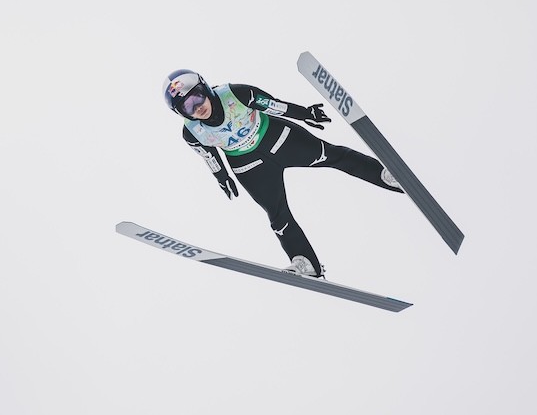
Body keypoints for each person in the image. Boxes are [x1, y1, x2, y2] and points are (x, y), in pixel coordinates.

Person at [162, 68, 403, 278]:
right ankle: (307, 264)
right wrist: (221, 177)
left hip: (280, 139)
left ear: (205, 88)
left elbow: (275, 106)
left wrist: (306, 114)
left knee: (334, 156)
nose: (198, 108)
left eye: (197, 97)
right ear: (181, 113)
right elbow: (209, 156)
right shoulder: (191, 132)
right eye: (187, 107)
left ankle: (386, 176)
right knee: (277, 215)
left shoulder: (235, 94)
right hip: (248, 166)